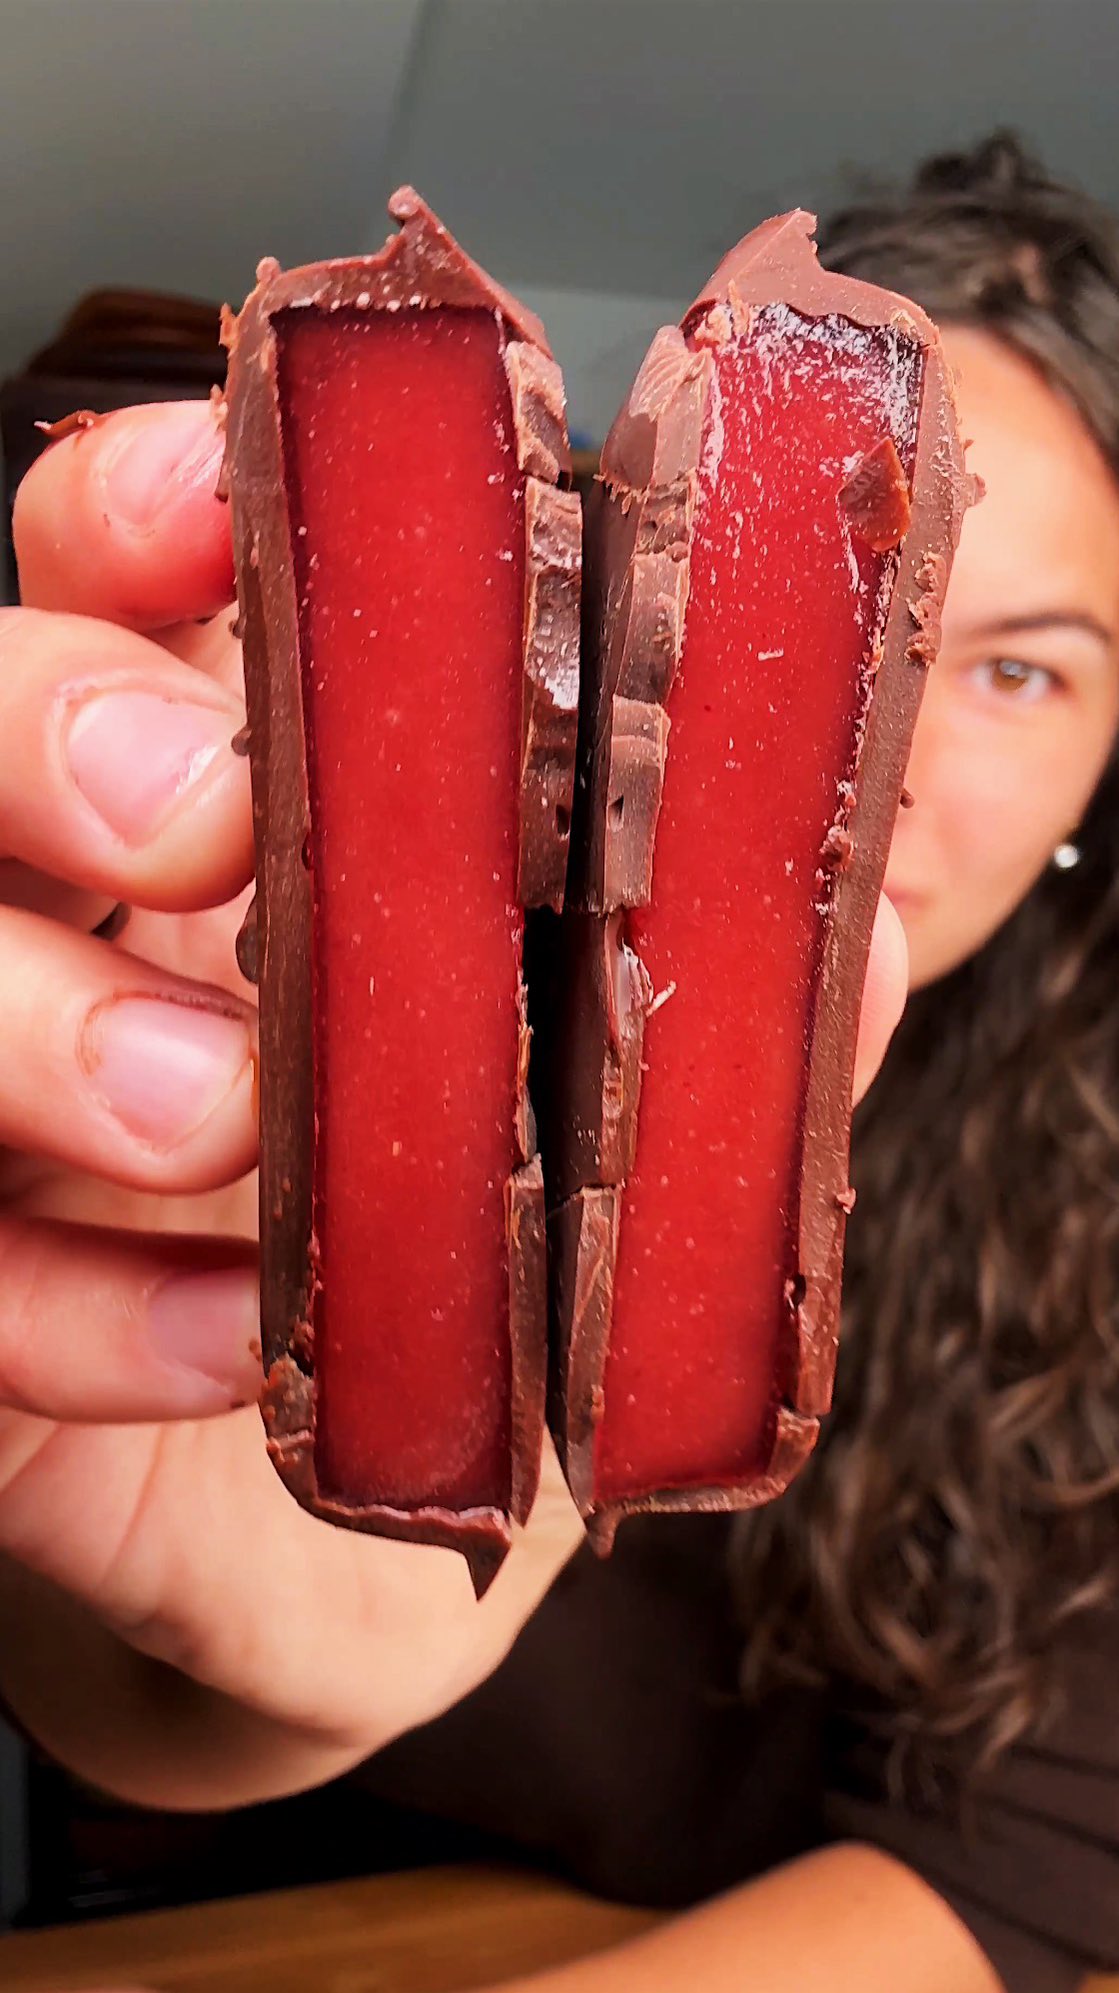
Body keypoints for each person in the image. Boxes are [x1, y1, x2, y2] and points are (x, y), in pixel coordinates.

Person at [0, 131, 1114, 1993]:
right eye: (838, 597)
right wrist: (219, 1632)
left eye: (1021, 671)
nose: (889, 732)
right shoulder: (357, 993)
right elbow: (121, 1720)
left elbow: (1022, 1870)